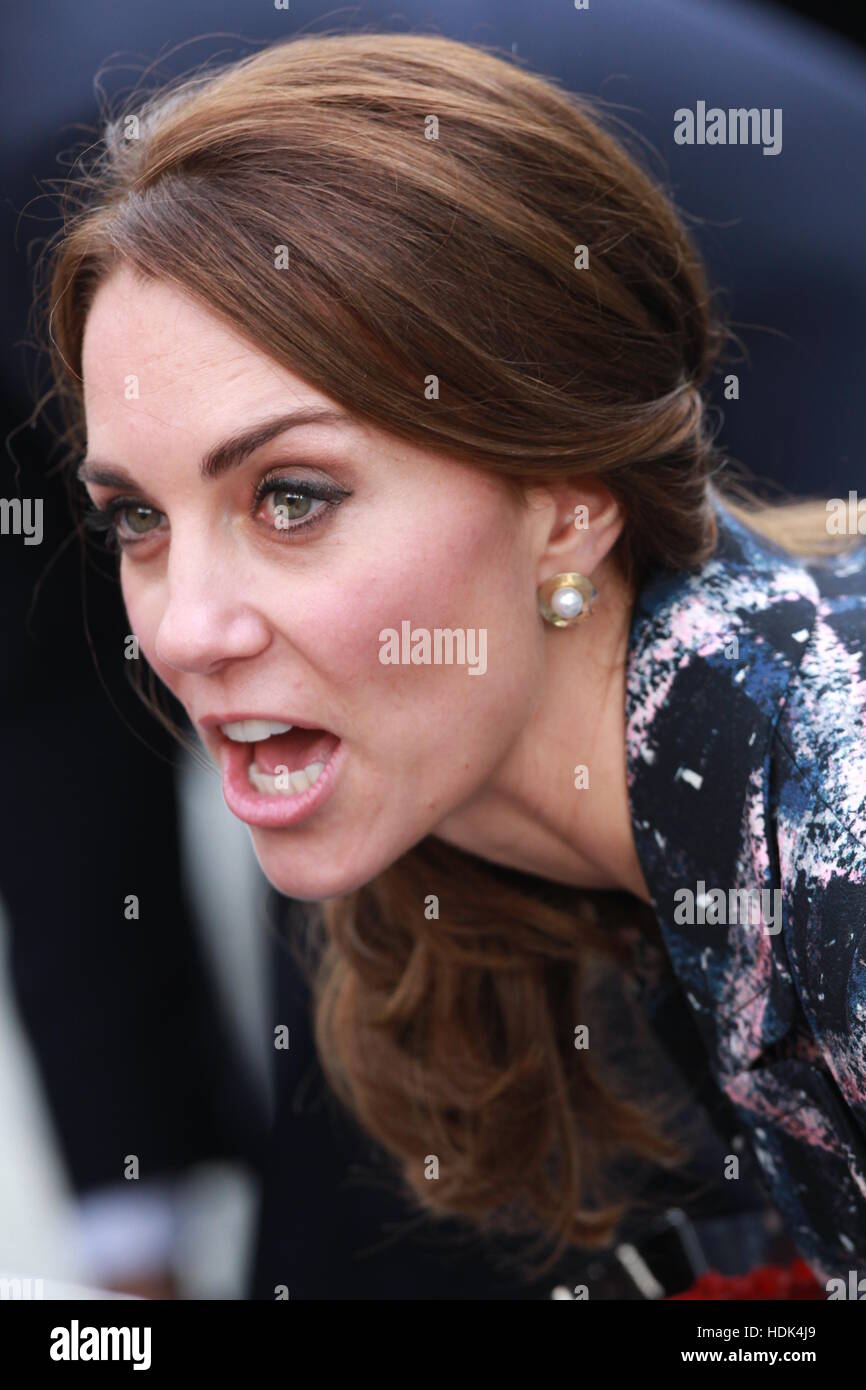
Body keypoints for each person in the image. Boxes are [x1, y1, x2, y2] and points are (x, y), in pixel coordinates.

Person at [40, 31, 866, 1290]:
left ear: (568, 501)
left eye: (293, 497)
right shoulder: (477, 851)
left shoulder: (830, 826)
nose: (188, 630)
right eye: (136, 521)